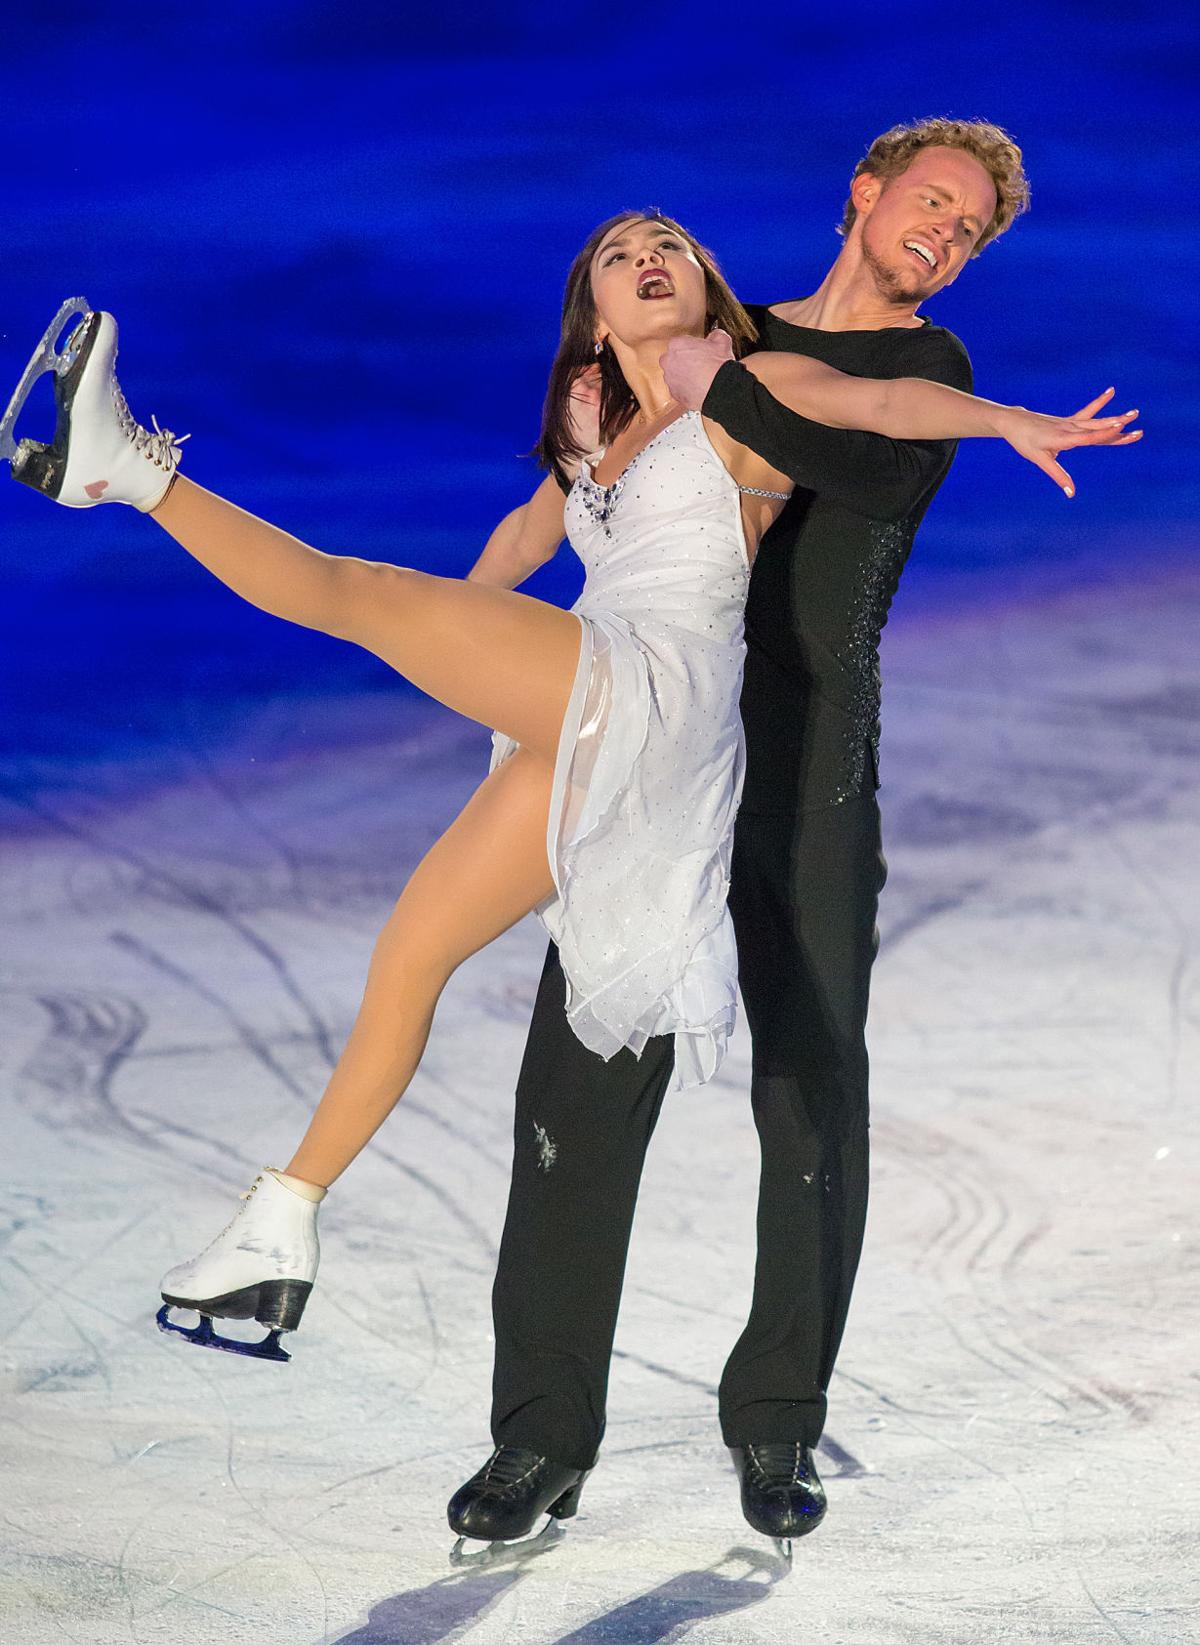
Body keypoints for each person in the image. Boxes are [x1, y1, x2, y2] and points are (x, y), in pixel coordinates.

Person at [3, 172, 1135, 1539]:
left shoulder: (750, 370)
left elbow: (887, 418)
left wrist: (1008, 416)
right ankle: (284, 1225)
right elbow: (526, 534)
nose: (647, 256)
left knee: (805, 1084)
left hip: (683, 704)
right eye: (619, 251)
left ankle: (126, 467)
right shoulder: (603, 410)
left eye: (669, 244)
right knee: (415, 955)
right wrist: (466, 642)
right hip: (593, 706)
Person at [448, 119, 1136, 1554]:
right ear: (865, 195)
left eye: (972, 227)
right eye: (932, 199)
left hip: (813, 751)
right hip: (655, 738)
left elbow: (861, 471)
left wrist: (971, 414)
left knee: (809, 1084)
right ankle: (539, 1436)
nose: (948, 228)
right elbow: (583, 476)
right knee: (583, 1074)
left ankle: (776, 1415)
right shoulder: (719, 326)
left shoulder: (921, 375)